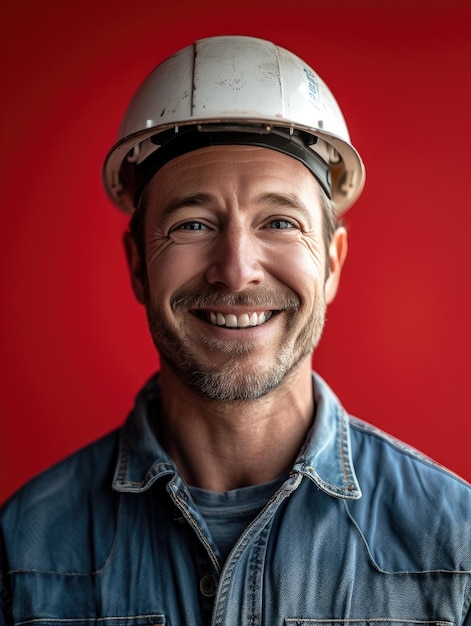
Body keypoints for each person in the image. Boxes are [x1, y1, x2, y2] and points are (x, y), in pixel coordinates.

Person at [1, 34, 470, 624]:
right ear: (139, 267)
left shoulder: (455, 546)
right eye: (193, 224)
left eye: (279, 221)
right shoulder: (22, 551)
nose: (236, 271)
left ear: (331, 263)